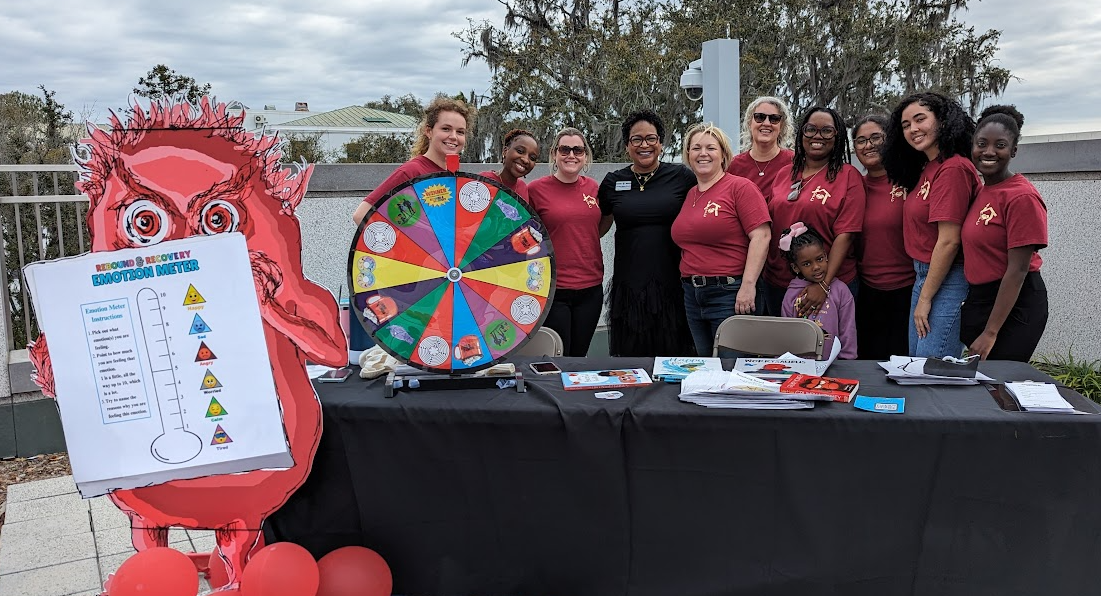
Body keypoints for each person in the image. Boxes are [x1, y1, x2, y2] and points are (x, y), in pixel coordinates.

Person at [881, 92, 981, 358]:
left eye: (920, 119)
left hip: (949, 278)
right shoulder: (928, 167)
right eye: (906, 125)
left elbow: (949, 241)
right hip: (925, 276)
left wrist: (925, 299)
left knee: (931, 366)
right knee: (916, 363)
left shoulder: (953, 168)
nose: (913, 129)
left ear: (943, 121)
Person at [598, 109, 697, 356]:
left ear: (660, 143)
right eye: (637, 139)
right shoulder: (612, 182)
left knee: (674, 357)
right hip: (629, 284)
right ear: (627, 146)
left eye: (651, 138)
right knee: (632, 360)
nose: (644, 145)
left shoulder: (682, 177)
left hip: (672, 282)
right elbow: (598, 225)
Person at [671, 123, 771, 357]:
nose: (703, 153)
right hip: (693, 295)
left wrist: (748, 286)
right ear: (688, 155)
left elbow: (762, 235)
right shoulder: (691, 194)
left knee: (732, 368)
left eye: (711, 148)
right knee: (707, 367)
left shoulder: (740, 188)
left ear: (724, 155)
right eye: (696, 148)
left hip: (730, 293)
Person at [960, 105, 1048, 361]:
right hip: (982, 299)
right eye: (981, 144)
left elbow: (1018, 270)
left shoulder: (1021, 197)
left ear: (1014, 150)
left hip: (1014, 305)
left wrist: (991, 332)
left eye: (1000, 145)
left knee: (1001, 378)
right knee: (980, 379)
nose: (988, 152)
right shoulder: (982, 191)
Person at [764, 106, 865, 318]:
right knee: (780, 340)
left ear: (837, 136)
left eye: (827, 131)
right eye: (810, 129)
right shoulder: (784, 174)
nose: (817, 136)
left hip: (827, 283)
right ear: (802, 133)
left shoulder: (848, 176)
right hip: (778, 282)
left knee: (825, 341)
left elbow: (846, 235)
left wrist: (824, 284)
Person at [527, 128, 603, 357]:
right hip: (554, 289)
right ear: (554, 154)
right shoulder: (535, 190)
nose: (571, 155)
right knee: (559, 357)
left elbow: (599, 225)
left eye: (578, 150)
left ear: (585, 156)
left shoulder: (594, 189)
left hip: (591, 288)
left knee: (579, 357)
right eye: (565, 149)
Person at [351, 97, 476, 224]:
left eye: (460, 132)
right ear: (429, 131)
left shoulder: (454, 176)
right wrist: (403, 236)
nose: (454, 136)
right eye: (446, 129)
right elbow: (361, 215)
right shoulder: (411, 171)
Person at [852, 114, 914, 359]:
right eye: (861, 140)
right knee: (869, 363)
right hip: (866, 291)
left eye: (876, 137)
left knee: (905, 363)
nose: (868, 145)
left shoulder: (912, 181)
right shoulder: (854, 186)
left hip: (909, 290)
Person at [779, 223, 857, 359]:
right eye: (807, 264)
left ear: (826, 256)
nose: (816, 267)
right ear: (796, 267)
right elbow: (786, 335)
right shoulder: (791, 295)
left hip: (834, 365)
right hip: (800, 366)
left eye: (819, 259)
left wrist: (848, 362)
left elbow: (848, 331)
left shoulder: (841, 291)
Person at [726, 96, 795, 201]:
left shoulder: (795, 162)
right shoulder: (733, 166)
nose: (766, 123)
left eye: (774, 119)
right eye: (759, 117)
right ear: (749, 123)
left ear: (782, 126)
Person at [479, 129, 539, 201]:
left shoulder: (523, 189)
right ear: (505, 151)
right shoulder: (484, 179)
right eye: (520, 151)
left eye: (532, 158)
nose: (526, 160)